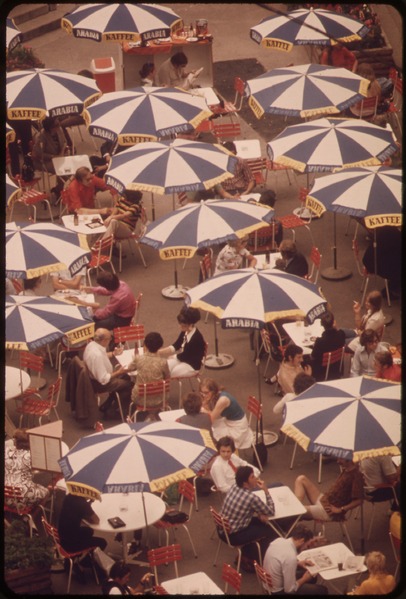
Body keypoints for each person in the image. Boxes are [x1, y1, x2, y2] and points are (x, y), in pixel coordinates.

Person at [220, 466, 276, 566]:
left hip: (222, 529)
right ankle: (252, 556)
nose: (255, 478)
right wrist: (266, 491)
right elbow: (271, 511)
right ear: (245, 483)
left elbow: (245, 507)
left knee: (261, 522)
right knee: (270, 531)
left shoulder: (234, 487)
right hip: (234, 536)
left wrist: (258, 512)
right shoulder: (251, 498)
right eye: (252, 477)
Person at [263, 524, 328, 595]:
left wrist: (298, 563)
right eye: (307, 545)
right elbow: (290, 590)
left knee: (313, 578)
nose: (306, 547)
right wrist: (304, 579)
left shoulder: (279, 541)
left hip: (269, 583)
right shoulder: (290, 556)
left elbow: (281, 560)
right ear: (302, 541)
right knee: (322, 590)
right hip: (278, 592)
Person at [294, 458, 364, 522]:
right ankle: (295, 507)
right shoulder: (346, 469)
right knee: (301, 479)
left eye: (340, 459)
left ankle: (295, 513)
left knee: (296, 511)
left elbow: (359, 500)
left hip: (328, 511)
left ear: (349, 459)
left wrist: (340, 509)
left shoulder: (357, 476)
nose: (337, 461)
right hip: (325, 500)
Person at [83, 328, 133, 415]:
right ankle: (113, 410)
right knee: (130, 385)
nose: (110, 340)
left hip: (95, 378)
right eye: (110, 339)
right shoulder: (97, 355)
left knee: (126, 377)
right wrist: (119, 372)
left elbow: (103, 356)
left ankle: (108, 404)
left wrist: (113, 353)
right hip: (99, 383)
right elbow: (103, 379)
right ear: (104, 340)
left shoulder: (92, 345)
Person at [200, 378, 253, 450]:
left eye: (206, 393)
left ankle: (222, 453)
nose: (203, 395)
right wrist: (205, 404)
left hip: (237, 428)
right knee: (213, 427)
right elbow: (209, 410)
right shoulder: (217, 394)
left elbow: (210, 419)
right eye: (201, 393)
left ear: (213, 391)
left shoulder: (223, 400)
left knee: (211, 432)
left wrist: (203, 409)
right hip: (229, 421)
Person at [5, 429, 50, 510]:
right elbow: (40, 470)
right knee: (46, 491)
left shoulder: (6, 450)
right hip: (21, 497)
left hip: (5, 494)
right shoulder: (30, 456)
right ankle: (33, 512)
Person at [127, 331, 170, 417]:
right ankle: (153, 414)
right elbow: (167, 377)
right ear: (160, 346)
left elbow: (129, 368)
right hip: (160, 399)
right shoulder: (163, 362)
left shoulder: (139, 359)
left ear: (145, 344)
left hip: (140, 399)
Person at [158, 307, 206, 377]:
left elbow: (185, 355)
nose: (180, 326)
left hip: (192, 365)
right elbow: (176, 345)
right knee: (164, 368)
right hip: (183, 358)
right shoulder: (185, 331)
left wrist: (175, 356)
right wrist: (159, 352)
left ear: (190, 324)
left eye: (183, 324)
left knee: (172, 373)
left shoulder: (196, 338)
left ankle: (163, 386)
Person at [310, 311, 346, 381]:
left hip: (322, 371)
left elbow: (313, 356)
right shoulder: (341, 334)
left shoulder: (320, 341)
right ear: (333, 323)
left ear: (322, 324)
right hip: (337, 367)